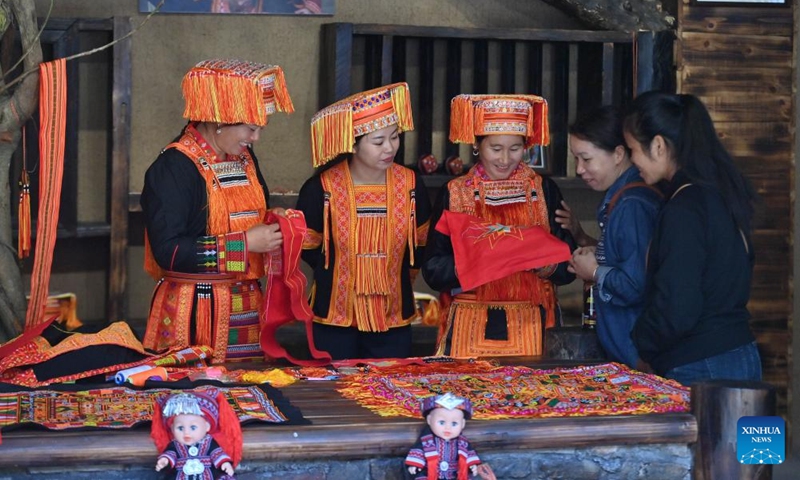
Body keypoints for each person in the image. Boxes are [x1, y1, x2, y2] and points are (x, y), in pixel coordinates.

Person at [141, 59, 294, 364]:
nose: (255, 138)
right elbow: (169, 251)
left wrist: (273, 221)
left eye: (260, 129)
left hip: (246, 309)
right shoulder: (174, 168)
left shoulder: (244, 159)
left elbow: (249, 215)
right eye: (251, 129)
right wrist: (246, 243)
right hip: (194, 315)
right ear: (220, 120)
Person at [423, 94, 576, 357]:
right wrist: (481, 260)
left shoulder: (543, 190)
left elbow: (568, 266)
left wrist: (539, 260)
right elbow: (433, 269)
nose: (505, 159)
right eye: (495, 148)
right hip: (468, 324)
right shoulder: (456, 193)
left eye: (515, 148)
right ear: (477, 145)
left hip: (533, 322)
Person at [624, 91, 761, 384]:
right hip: (740, 354)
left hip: (701, 364)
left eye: (632, 149)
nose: (632, 160)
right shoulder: (719, 192)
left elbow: (678, 304)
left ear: (658, 146)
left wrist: (643, 345)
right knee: (748, 433)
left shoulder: (685, 207)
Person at [295, 82, 431, 360]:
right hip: (334, 318)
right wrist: (341, 273)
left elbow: (419, 245)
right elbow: (307, 247)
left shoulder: (412, 184)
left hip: (393, 318)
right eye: (378, 141)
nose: (390, 148)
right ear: (353, 145)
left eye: (395, 137)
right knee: (334, 393)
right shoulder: (322, 187)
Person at [555, 105, 663, 369]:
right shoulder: (620, 198)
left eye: (586, 159)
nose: (579, 169)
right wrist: (581, 237)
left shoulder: (632, 204)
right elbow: (623, 258)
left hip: (637, 352)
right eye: (576, 159)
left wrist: (594, 272)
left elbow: (634, 284)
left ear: (618, 154)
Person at [151, 389, 242, 479]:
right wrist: (165, 460)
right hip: (181, 474)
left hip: (207, 474)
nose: (186, 432)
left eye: (193, 428)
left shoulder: (209, 441)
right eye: (180, 428)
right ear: (172, 428)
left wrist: (224, 463)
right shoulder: (175, 444)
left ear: (207, 427)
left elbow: (217, 453)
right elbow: (171, 454)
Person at [405, 393, 481, 480]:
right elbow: (419, 451)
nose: (448, 427)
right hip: (430, 473)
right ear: (429, 420)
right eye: (441, 422)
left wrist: (472, 465)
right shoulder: (426, 441)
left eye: (454, 423)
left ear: (462, 424)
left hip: (454, 474)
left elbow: (468, 453)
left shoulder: (463, 443)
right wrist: (415, 464)